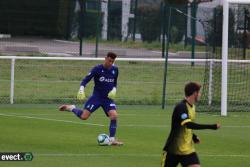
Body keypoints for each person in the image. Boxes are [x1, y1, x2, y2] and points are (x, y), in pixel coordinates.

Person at [59, 52, 123, 145]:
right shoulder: (97, 69)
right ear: (105, 58)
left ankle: (112, 139)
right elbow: (85, 80)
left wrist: (114, 89)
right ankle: (71, 108)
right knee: (84, 117)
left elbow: (115, 83)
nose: (110, 63)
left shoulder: (115, 69)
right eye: (109, 61)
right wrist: (81, 89)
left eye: (112, 62)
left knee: (114, 116)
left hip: (107, 99)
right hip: (97, 97)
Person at [161, 82, 220, 167]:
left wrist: (193, 137)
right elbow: (188, 124)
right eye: (199, 92)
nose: (200, 95)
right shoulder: (181, 107)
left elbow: (186, 127)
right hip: (173, 150)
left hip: (188, 151)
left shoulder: (192, 107)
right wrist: (212, 126)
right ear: (194, 93)